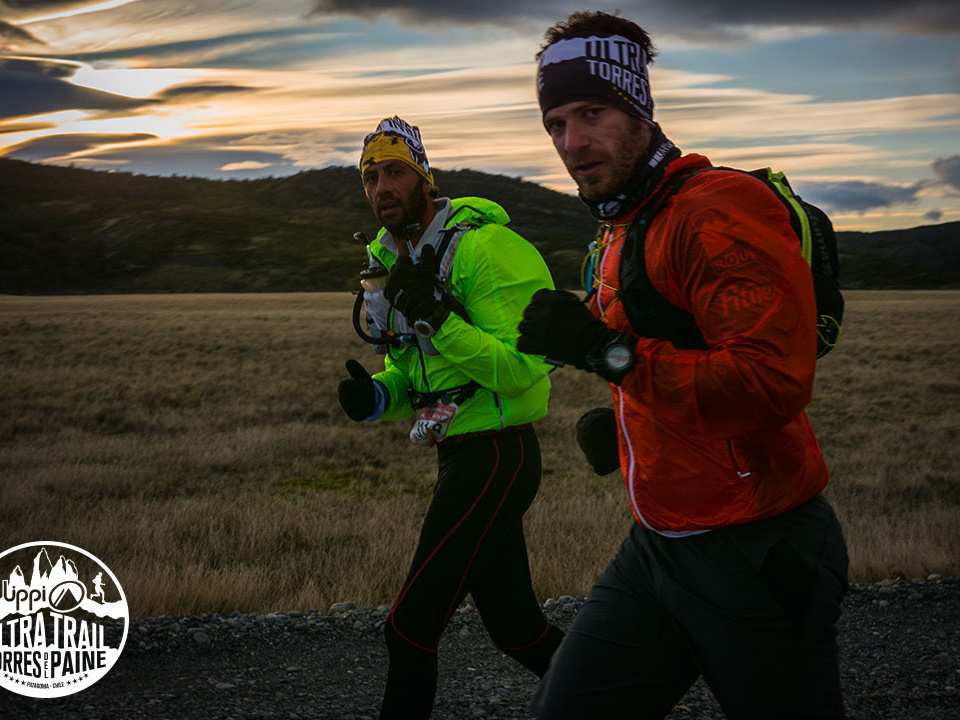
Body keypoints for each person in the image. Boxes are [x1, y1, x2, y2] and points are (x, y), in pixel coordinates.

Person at [517, 12, 849, 720]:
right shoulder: (623, 223)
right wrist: (629, 420)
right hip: (659, 545)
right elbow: (668, 353)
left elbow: (769, 384)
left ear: (639, 109)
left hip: (758, 546)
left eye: (592, 113)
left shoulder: (716, 211)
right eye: (555, 124)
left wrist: (601, 354)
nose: (572, 143)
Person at [337, 116, 564, 719]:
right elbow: (414, 369)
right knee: (519, 631)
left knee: (409, 628)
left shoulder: (484, 248)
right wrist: (377, 396)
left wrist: (440, 319)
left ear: (424, 178)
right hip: (458, 454)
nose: (381, 188)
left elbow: (522, 370)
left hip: (498, 453)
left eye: (395, 172)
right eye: (370, 178)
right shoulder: (388, 259)